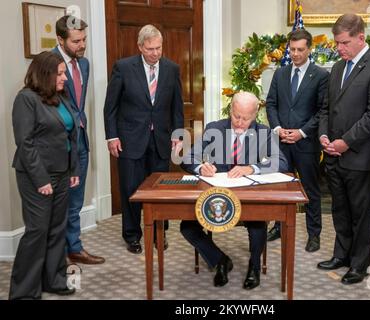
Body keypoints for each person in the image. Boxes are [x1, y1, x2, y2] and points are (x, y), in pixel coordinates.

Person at [180, 92, 288, 290]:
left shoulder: (263, 132)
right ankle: (220, 260)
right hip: (216, 197)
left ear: (255, 116)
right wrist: (200, 167)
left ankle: (254, 267)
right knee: (187, 227)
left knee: (258, 224)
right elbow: (189, 158)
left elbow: (280, 162)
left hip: (249, 198)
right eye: (236, 116)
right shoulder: (215, 128)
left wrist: (252, 168)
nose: (239, 123)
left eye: (245, 119)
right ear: (231, 110)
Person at [317, 14, 370, 284]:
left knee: (361, 215)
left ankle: (359, 265)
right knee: (340, 209)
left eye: (344, 43)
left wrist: (346, 142)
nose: (339, 48)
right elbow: (327, 108)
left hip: (359, 157)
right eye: (337, 43)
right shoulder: (338, 67)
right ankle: (342, 255)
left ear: (361, 37)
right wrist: (324, 135)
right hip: (333, 154)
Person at [104, 24, 184, 254]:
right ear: (140, 47)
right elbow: (111, 107)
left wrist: (178, 135)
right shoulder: (123, 68)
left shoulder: (171, 69)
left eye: (158, 48)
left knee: (160, 189)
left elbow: (177, 107)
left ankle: (160, 233)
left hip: (160, 139)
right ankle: (132, 235)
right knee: (130, 187)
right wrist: (112, 136)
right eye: (150, 49)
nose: (155, 53)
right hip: (130, 139)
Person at [9, 51, 80, 299]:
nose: (64, 78)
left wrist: (73, 170)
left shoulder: (61, 96)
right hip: (36, 176)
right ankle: (24, 292)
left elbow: (71, 135)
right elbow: (25, 143)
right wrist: (41, 180)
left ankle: (54, 280)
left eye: (64, 73)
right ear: (44, 74)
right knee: (37, 231)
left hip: (62, 172)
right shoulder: (26, 99)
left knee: (57, 229)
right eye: (59, 74)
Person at [265, 29, 329, 252]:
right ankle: (278, 227)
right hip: (281, 142)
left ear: (309, 49)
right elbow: (271, 103)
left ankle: (314, 234)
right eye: (292, 49)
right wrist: (278, 128)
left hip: (306, 143)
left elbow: (322, 111)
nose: (295, 54)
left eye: (300, 50)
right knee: (280, 187)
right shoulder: (280, 74)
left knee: (310, 190)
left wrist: (302, 132)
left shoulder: (321, 76)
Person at [53, 15, 105, 265]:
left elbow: (78, 104)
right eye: (76, 41)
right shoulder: (50, 65)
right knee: (59, 202)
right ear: (60, 40)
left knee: (76, 200)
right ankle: (57, 255)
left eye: (84, 39)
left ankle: (74, 247)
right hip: (59, 145)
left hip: (80, 142)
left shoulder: (83, 64)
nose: (82, 45)